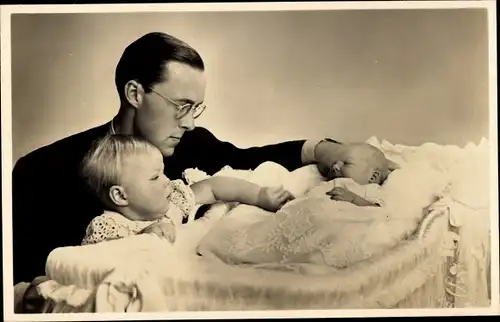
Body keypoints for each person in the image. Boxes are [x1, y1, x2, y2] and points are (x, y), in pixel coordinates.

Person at [12, 31, 397, 286]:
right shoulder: (42, 171)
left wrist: (330, 150)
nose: (190, 122)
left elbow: (248, 157)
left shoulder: (191, 145)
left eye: (196, 108)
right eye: (181, 106)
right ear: (134, 93)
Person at [197, 143, 394, 268]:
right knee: (270, 232)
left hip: (332, 222)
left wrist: (353, 199)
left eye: (346, 163)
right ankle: (235, 250)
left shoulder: (366, 189)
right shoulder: (324, 183)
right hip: (305, 216)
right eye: (337, 162)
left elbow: (378, 211)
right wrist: (293, 202)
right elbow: (309, 200)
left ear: (373, 176)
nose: (336, 166)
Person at [80, 134, 294, 245]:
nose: (167, 181)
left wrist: (259, 195)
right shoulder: (108, 227)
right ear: (120, 195)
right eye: (155, 177)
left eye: (163, 172)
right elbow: (98, 264)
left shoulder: (171, 200)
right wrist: (143, 237)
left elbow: (213, 187)